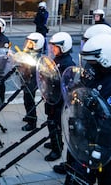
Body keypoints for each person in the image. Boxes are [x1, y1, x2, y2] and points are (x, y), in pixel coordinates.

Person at [63, 35, 111, 185]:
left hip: (101, 141)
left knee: (96, 171)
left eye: (92, 62)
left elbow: (110, 121)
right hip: (88, 134)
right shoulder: (103, 73)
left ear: (105, 59)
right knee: (106, 172)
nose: (90, 65)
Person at [43, 32, 75, 162]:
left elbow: (65, 82)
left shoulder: (68, 63)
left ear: (64, 47)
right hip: (52, 96)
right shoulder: (57, 59)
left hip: (58, 100)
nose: (52, 49)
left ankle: (57, 149)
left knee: (55, 124)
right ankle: (54, 141)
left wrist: (50, 75)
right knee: (50, 121)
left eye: (55, 47)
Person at [21, 32, 45, 131]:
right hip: (26, 79)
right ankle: (28, 115)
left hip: (32, 81)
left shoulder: (37, 56)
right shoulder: (28, 53)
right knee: (26, 100)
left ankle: (32, 122)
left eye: (31, 43)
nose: (28, 44)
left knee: (30, 101)